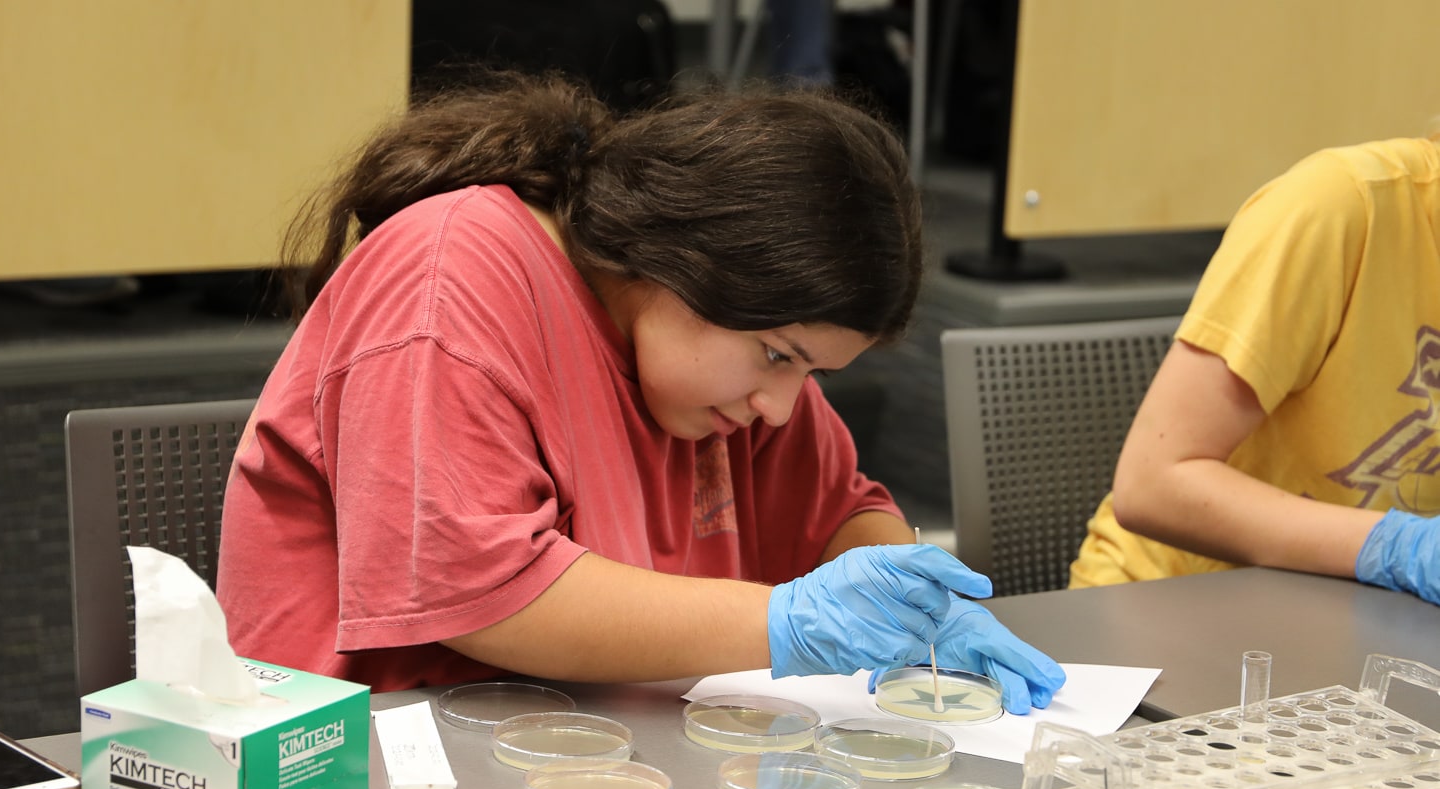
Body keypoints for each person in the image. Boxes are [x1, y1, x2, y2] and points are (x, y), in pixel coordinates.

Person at [216, 70, 1064, 714]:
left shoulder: (724, 355)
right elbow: (483, 596)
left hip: (591, 744)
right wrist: (789, 621)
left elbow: (835, 512)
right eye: (779, 356)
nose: (781, 404)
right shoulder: (452, 279)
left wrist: (916, 604)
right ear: (677, 260)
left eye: (813, 373)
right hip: (370, 756)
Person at [1069, 134, 1440, 606]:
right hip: (1170, 602)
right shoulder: (1338, 206)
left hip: (1349, 609)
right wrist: (1399, 548)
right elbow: (1152, 485)